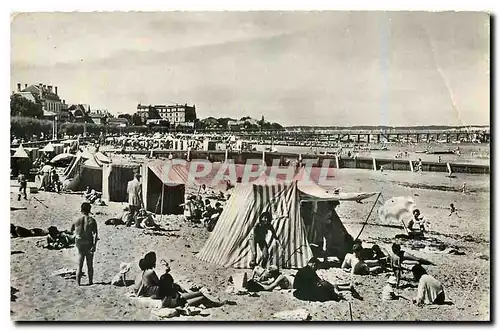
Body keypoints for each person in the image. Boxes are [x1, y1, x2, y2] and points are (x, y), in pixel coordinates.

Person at [293, 257, 360, 302]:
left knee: (326, 286)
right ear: (313, 264)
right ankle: (337, 296)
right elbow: (318, 282)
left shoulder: (305, 270)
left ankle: (341, 290)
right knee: (325, 289)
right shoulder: (309, 271)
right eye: (316, 267)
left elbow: (316, 281)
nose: (316, 269)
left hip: (299, 292)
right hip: (303, 293)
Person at [70, 202, 99, 286]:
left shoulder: (76, 219)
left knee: (80, 263)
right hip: (88, 242)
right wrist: (94, 245)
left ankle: (78, 282)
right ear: (89, 210)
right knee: (90, 264)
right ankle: (90, 281)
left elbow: (71, 230)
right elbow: (96, 234)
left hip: (79, 242)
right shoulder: (92, 220)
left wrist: (77, 233)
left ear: (81, 209)